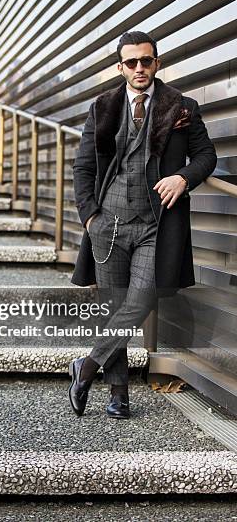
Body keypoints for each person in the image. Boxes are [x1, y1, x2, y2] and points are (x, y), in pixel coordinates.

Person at [69, 31, 217, 419]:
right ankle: (119, 394)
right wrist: (90, 218)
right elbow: (83, 166)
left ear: (157, 62)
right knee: (115, 305)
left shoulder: (182, 106)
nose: (139, 68)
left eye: (146, 61)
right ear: (120, 67)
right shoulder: (102, 107)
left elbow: (206, 156)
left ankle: (86, 366)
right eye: (131, 62)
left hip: (157, 225)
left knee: (141, 299)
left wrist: (184, 177)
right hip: (109, 225)